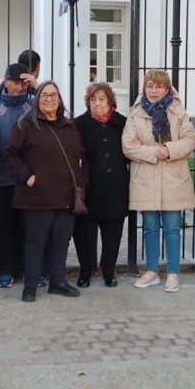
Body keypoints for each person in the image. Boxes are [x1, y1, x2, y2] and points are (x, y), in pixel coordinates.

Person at [4, 80, 88, 302]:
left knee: (62, 241)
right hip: (37, 197)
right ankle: (30, 286)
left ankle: (58, 282)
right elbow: (10, 155)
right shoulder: (26, 125)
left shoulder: (69, 126)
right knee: (35, 242)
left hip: (66, 197)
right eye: (44, 96)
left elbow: (81, 157)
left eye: (53, 95)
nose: (49, 99)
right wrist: (28, 178)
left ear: (59, 100)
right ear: (36, 100)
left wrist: (81, 180)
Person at [122, 69, 195, 293]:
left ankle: (173, 272)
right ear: (144, 88)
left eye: (159, 86)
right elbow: (128, 146)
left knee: (173, 227)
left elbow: (190, 139)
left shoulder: (177, 111)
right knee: (150, 228)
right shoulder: (135, 113)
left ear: (167, 89)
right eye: (150, 86)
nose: (154, 91)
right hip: (145, 179)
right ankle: (152, 271)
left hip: (173, 178)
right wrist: (157, 152)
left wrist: (169, 149)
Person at [73, 82, 129, 287]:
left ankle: (108, 270)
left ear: (110, 101)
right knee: (85, 232)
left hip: (115, 186)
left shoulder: (122, 123)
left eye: (101, 99)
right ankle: (86, 270)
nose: (97, 103)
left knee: (113, 231)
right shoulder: (79, 124)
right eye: (93, 100)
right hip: (89, 186)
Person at [0, 62, 35, 288]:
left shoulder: (35, 107)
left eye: (24, 82)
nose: (20, 86)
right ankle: (5, 270)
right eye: (16, 82)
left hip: (29, 180)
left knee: (29, 227)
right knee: (3, 227)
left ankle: (29, 269)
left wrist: (38, 86)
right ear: (6, 82)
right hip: (1, 178)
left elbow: (60, 113)